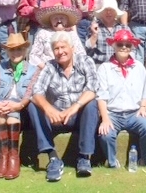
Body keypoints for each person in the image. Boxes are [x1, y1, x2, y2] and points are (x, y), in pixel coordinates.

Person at [27, 31, 99, 182]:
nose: (60, 52)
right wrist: (49, 109)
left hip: (78, 117)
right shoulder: (50, 67)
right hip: (56, 118)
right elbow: (36, 92)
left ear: (72, 47)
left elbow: (93, 89)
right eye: (56, 49)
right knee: (33, 106)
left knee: (91, 103)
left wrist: (75, 107)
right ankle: (53, 158)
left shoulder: (85, 61)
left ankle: (84, 157)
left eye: (63, 47)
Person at [97, 29, 146, 168]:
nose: (124, 47)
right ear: (114, 46)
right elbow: (101, 96)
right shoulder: (105, 68)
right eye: (120, 44)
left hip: (134, 113)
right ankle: (112, 163)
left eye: (128, 45)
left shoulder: (139, 67)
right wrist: (105, 119)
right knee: (106, 134)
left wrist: (143, 108)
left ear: (132, 47)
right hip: (112, 114)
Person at [0, 33, 39, 180]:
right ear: (7, 52)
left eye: (19, 49)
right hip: (1, 106)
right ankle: (3, 156)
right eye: (12, 50)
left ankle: (14, 157)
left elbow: (29, 94)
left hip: (21, 110)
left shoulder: (34, 70)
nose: (16, 53)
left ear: (25, 50)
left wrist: (17, 106)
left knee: (12, 115)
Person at [28, 5, 86, 69]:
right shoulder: (43, 34)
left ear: (67, 20)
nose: (59, 21)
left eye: (62, 18)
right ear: (50, 21)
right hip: (47, 70)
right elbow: (34, 56)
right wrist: (45, 68)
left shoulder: (72, 35)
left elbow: (82, 55)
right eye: (55, 18)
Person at [85, 0, 128, 65]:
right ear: (101, 13)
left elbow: (132, 50)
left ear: (116, 12)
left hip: (119, 65)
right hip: (99, 65)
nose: (108, 13)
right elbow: (87, 51)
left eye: (111, 10)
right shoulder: (94, 28)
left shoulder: (123, 29)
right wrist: (94, 35)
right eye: (106, 10)